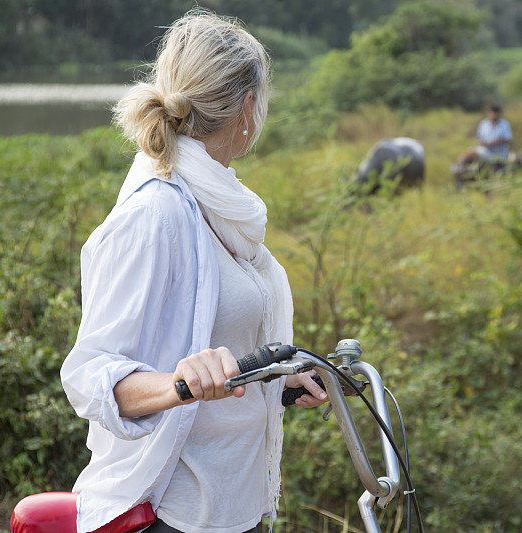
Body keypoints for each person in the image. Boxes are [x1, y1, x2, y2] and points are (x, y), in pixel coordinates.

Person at [59, 9, 328, 533]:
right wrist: (177, 384)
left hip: (233, 505)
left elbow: (219, 342)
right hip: (173, 511)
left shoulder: (225, 207)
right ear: (248, 108)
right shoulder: (155, 213)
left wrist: (279, 380)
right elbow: (89, 375)